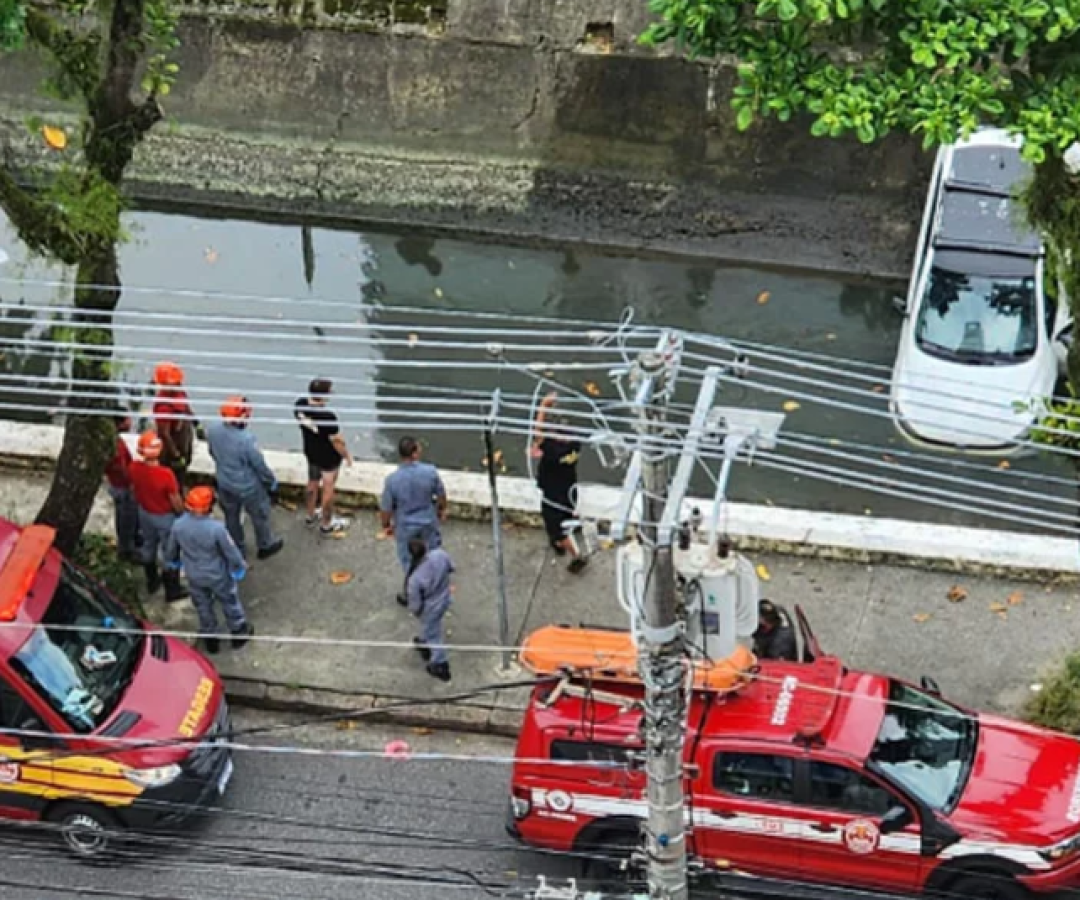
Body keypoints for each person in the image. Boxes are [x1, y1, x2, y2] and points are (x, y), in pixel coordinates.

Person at [165, 486, 253, 655]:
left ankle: (210, 638)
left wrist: (174, 563)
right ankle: (238, 632)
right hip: (217, 575)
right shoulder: (216, 529)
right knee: (229, 602)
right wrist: (239, 568)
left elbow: (171, 550)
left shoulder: (178, 526)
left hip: (194, 574)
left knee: (203, 605)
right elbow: (230, 551)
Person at [206, 395, 284, 561]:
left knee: (231, 516)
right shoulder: (246, 440)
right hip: (248, 486)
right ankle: (265, 544)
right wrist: (272, 484)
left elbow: (212, 452)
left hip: (224, 482)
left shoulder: (212, 429)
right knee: (259, 514)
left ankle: (236, 549)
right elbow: (259, 466)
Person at [380, 436, 447, 601]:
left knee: (409, 560)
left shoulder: (392, 480)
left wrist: (386, 525)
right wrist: (440, 510)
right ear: (415, 453)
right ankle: (434, 587)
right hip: (427, 521)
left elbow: (386, 508)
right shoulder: (430, 472)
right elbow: (441, 495)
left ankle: (411, 592)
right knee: (431, 554)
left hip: (405, 525)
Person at [128, 430, 188, 602]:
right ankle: (173, 590)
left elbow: (134, 489)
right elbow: (175, 501)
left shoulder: (134, 468)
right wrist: (183, 514)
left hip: (145, 512)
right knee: (170, 552)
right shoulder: (166, 475)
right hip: (164, 517)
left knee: (148, 546)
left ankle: (152, 581)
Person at [531, 392, 586, 574]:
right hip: (569, 492)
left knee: (557, 530)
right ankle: (571, 526)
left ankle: (574, 554)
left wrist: (543, 406)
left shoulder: (553, 452)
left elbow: (537, 434)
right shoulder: (574, 445)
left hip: (553, 498)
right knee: (568, 515)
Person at [294, 377, 352, 535]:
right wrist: (347, 456)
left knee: (312, 483)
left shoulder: (299, 405)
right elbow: (337, 441)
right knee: (328, 488)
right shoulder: (327, 417)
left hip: (311, 452)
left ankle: (310, 514)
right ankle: (327, 523)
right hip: (328, 458)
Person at [406, 538, 454, 683]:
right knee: (430, 628)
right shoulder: (440, 555)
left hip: (430, 607)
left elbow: (415, 603)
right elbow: (452, 567)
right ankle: (423, 640)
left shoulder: (415, 579)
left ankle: (439, 663)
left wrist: (415, 611)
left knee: (434, 634)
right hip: (444, 598)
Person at [151, 362, 197, 483]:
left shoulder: (179, 392)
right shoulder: (163, 407)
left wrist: (196, 423)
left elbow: (185, 406)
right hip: (172, 447)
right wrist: (176, 455)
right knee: (173, 478)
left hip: (184, 439)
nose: (177, 384)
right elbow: (164, 434)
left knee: (183, 469)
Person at [103, 415, 139, 562]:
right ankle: (126, 551)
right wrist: (131, 484)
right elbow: (121, 469)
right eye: (127, 419)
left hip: (117, 485)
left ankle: (128, 545)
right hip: (122, 487)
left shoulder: (114, 440)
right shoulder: (116, 446)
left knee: (125, 517)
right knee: (127, 518)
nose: (130, 422)